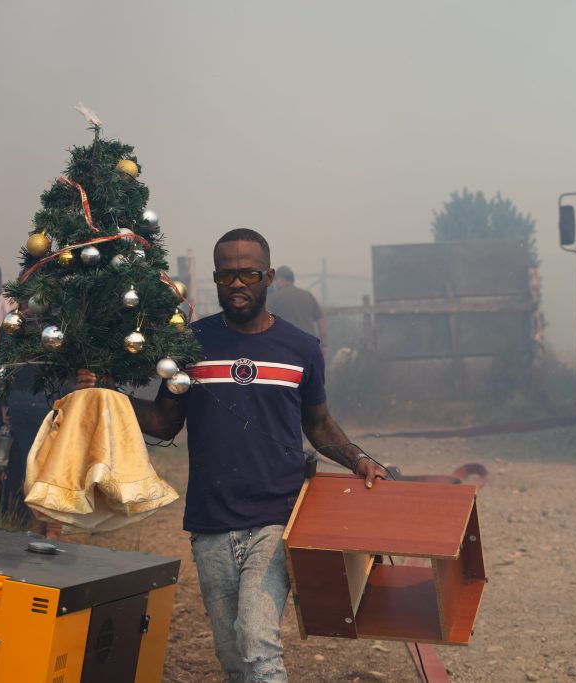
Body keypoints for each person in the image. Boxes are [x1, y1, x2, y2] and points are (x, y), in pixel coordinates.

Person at [77, 228, 384, 682]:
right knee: (232, 656)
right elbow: (164, 421)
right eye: (226, 276)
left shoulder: (300, 348)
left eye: (249, 274)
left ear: (270, 277)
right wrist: (107, 394)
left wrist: (359, 459)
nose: (237, 284)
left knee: (258, 644)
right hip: (210, 522)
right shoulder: (190, 346)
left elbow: (318, 425)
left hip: (276, 517)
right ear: (217, 280)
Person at [267, 265, 328, 348]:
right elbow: (322, 322)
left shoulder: (275, 297)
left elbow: (264, 322)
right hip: (310, 344)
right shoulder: (308, 295)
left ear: (280, 279)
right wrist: (324, 345)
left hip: (287, 345)